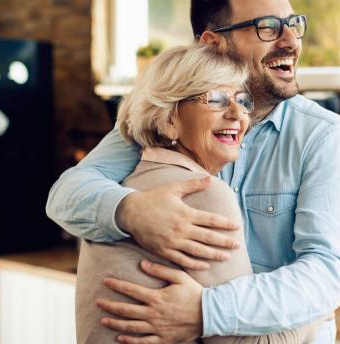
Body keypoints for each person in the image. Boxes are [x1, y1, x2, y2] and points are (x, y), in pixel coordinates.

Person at [46, 0, 340, 342]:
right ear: (213, 43)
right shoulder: (170, 118)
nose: (291, 40)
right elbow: (65, 194)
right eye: (268, 27)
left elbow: (327, 271)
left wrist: (205, 311)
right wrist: (131, 211)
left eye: (294, 24)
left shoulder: (322, 136)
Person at [76, 44, 322, 343]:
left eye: (242, 101)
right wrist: (317, 312)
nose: (236, 114)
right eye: (215, 99)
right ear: (168, 120)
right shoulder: (204, 195)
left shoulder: (123, 189)